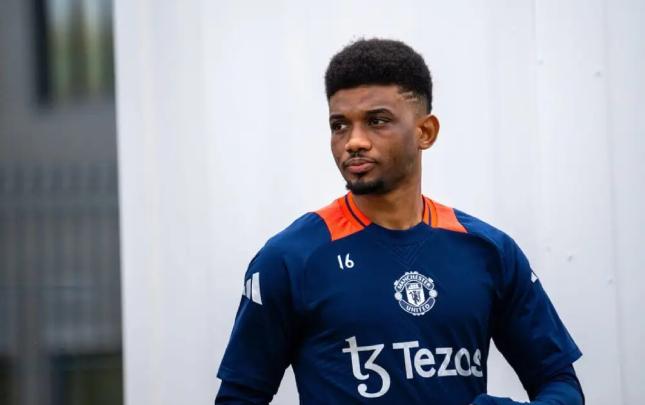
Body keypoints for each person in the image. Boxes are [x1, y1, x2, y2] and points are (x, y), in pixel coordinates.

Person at [215, 38, 584, 405]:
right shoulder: (290, 258)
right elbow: (239, 397)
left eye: (377, 121)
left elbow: (559, 382)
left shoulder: (489, 250)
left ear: (425, 132)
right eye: (339, 125)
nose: (354, 141)